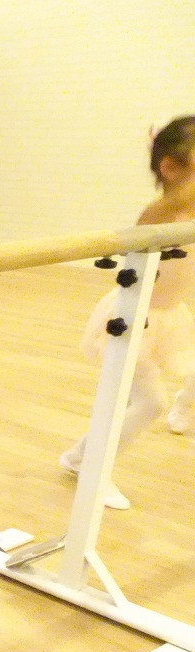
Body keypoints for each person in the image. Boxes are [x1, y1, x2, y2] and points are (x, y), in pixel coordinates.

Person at [59, 115, 195, 508]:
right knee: (150, 402)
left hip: (167, 317)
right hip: (131, 317)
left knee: (153, 399)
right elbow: (172, 204)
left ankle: (79, 458)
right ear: (170, 168)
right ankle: (89, 466)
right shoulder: (159, 213)